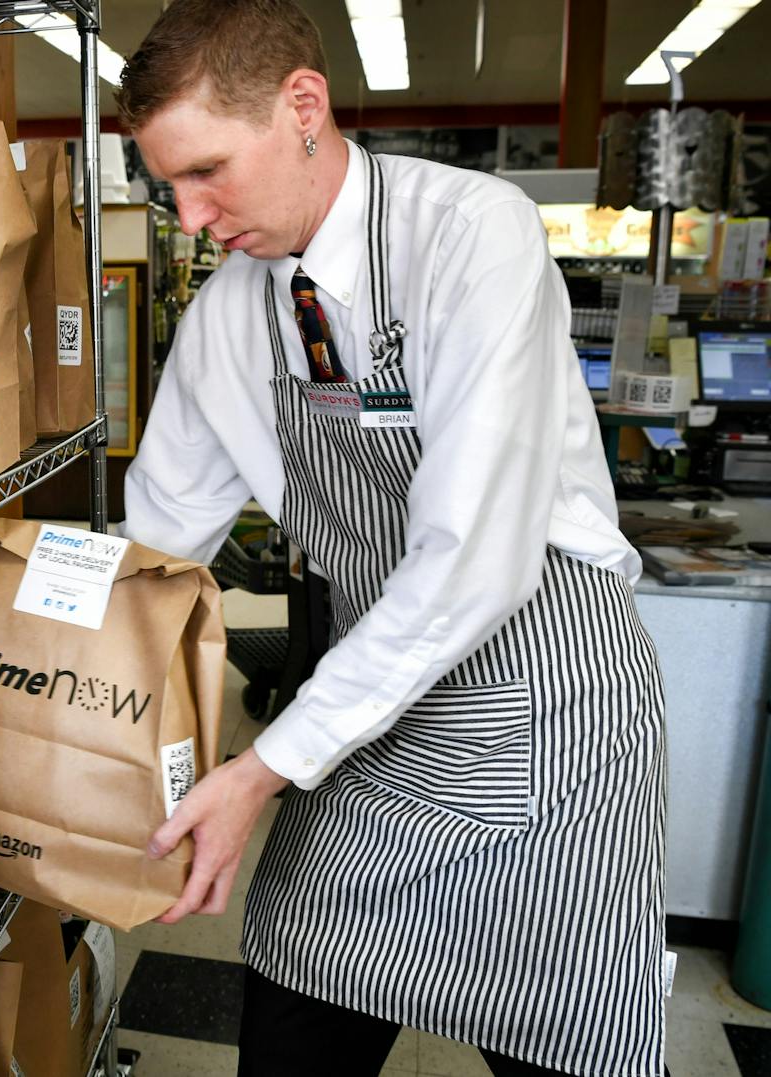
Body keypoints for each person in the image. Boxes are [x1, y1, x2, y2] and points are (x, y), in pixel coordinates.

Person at [114, 2, 668, 1075]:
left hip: (544, 710)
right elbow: (155, 552)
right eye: (166, 186)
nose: (187, 218)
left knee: (562, 1038)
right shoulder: (229, 317)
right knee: (293, 990)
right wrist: (45, 704)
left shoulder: (471, 231)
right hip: (373, 705)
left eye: (207, 173)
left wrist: (258, 769)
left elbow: (472, 556)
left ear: (303, 108)